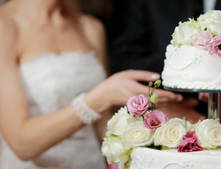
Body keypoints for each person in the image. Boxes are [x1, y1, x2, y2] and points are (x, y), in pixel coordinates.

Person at [0, 0, 182, 168]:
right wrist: (96, 100)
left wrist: (159, 121)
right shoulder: (5, 25)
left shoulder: (91, 27)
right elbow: (21, 144)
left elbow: (102, 125)